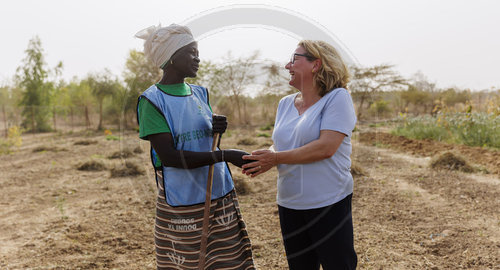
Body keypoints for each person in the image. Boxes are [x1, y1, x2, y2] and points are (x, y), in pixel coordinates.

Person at [135, 24, 254, 270]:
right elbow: (169, 157)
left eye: (197, 51)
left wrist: (215, 129)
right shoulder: (152, 101)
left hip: (219, 194)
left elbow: (198, 139)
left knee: (228, 262)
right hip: (184, 203)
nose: (198, 58)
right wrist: (225, 155)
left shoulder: (200, 94)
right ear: (170, 57)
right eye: (191, 52)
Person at [242, 40, 358, 269]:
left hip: (328, 202)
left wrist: (275, 158)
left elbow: (326, 147)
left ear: (316, 64)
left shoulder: (337, 98)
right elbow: (286, 144)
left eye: (295, 59)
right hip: (290, 203)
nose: (287, 65)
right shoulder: (285, 104)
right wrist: (267, 157)